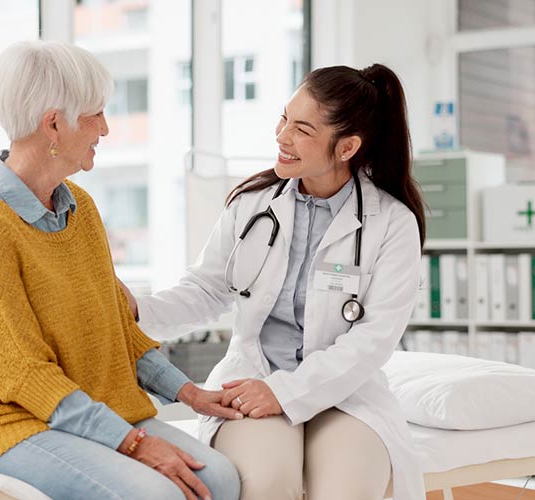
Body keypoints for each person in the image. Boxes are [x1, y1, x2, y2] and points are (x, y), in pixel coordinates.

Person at [0, 40, 241, 500]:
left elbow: (118, 331)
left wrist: (190, 393)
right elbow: (24, 375)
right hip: (14, 421)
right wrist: (134, 443)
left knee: (221, 477)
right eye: (95, 114)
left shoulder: (80, 208)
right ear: (54, 124)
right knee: (155, 495)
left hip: (95, 408)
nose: (105, 128)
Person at [121, 64, 427, 500]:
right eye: (285, 118)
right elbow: (207, 290)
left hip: (344, 391)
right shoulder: (251, 205)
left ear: (347, 147)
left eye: (302, 129)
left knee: (348, 490)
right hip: (252, 380)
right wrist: (139, 310)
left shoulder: (391, 224)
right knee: (266, 483)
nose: (282, 136)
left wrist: (283, 392)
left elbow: (374, 339)